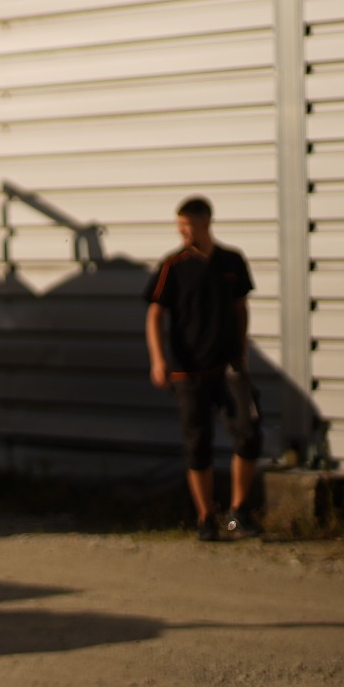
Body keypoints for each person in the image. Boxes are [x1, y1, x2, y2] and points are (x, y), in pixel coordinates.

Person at [145, 196, 261, 541]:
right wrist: (158, 359)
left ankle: (239, 511)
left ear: (206, 223)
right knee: (197, 443)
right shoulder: (173, 266)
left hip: (228, 366)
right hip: (188, 370)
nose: (183, 232)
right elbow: (155, 313)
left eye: (189, 226)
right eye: (179, 226)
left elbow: (240, 307)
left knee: (248, 432)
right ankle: (205, 517)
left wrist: (241, 351)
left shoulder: (231, 261)